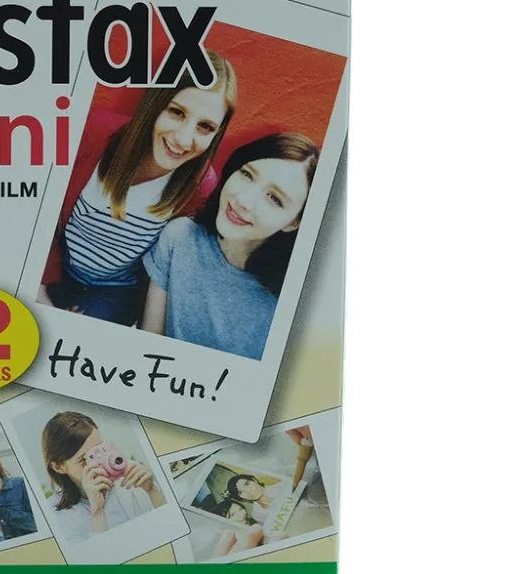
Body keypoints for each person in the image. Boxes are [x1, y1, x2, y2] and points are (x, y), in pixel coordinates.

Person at [39, 52, 237, 325]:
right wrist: (41, 286)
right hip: (57, 267)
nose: (183, 139)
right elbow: (41, 206)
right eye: (177, 112)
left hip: (114, 292)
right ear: (155, 104)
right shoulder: (94, 132)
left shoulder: (201, 187)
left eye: (205, 126)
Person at [142, 132, 319, 359]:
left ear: (294, 222)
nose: (243, 200)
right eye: (247, 174)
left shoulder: (293, 304)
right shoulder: (180, 236)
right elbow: (149, 342)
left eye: (274, 198)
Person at [42, 411, 166, 543]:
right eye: (85, 459)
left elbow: (167, 528)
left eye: (100, 450)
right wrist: (97, 513)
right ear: (58, 467)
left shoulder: (130, 475)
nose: (100, 464)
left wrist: (152, 492)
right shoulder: (55, 515)